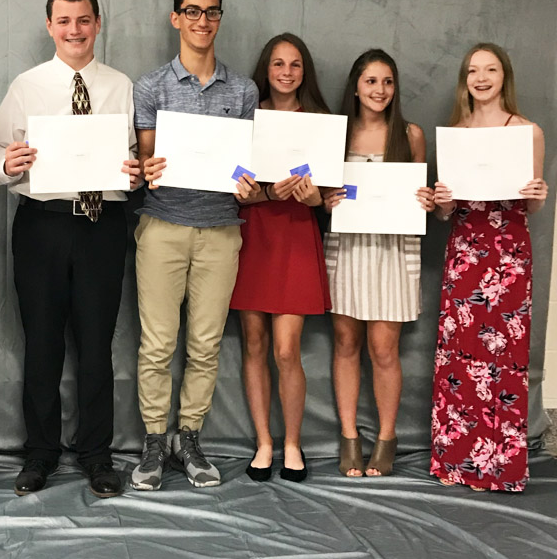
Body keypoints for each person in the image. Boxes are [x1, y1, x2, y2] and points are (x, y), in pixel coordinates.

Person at [0, 0, 140, 498]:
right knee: (43, 344)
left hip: (102, 227)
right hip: (43, 225)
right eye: (64, 21)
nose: (74, 30)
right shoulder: (26, 87)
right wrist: (7, 165)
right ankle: (41, 453)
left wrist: (136, 173)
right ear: (49, 26)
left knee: (97, 345)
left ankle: (98, 455)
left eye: (84, 20)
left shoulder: (121, 86)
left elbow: (131, 157)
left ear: (98, 23)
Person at [129, 0, 259, 491]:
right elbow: (145, 156)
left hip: (222, 230)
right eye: (192, 11)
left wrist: (248, 184)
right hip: (162, 226)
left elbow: (245, 163)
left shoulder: (244, 89)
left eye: (211, 12)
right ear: (176, 18)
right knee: (158, 344)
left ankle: (191, 437)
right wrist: (147, 166)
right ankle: (155, 442)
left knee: (205, 345)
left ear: (219, 19)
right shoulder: (151, 86)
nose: (202, 21)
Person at [431, 43, 547, 492]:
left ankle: (498, 467)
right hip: (465, 251)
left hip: (509, 254)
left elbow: (534, 205)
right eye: (474, 70)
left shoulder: (527, 131)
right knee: (460, 356)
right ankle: (456, 463)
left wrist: (538, 191)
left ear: (504, 76)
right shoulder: (456, 133)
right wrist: (442, 205)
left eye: (491, 69)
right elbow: (448, 211)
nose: (482, 78)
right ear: (465, 79)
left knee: (503, 359)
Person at [322, 49, 435, 478]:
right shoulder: (337, 136)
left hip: (393, 250)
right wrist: (328, 198)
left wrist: (424, 201)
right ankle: (350, 437)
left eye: (387, 82)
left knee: (384, 349)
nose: (380, 90)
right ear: (356, 86)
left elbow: (419, 199)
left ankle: (387, 438)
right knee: (346, 344)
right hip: (347, 246)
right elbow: (321, 191)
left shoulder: (410, 134)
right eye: (371, 81)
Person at [230, 33, 331, 483]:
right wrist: (257, 191)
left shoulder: (322, 123)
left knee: (287, 350)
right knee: (254, 345)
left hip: (295, 237)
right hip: (253, 236)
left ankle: (292, 442)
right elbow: (232, 182)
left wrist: (312, 199)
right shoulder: (246, 120)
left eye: (294, 64)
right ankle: (264, 443)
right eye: (277, 64)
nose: (286, 72)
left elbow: (332, 197)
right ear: (266, 70)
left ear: (304, 71)